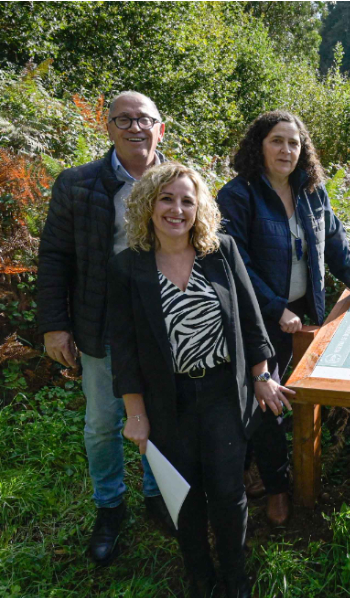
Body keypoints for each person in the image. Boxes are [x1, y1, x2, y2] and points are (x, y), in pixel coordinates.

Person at [108, 163, 295, 596]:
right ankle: (199, 576)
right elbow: (126, 348)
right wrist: (135, 414)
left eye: (187, 201)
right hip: (165, 397)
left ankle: (234, 580)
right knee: (185, 495)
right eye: (167, 199)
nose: (177, 209)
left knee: (228, 494)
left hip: (223, 394)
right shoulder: (127, 268)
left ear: (200, 208)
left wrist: (262, 376)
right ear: (148, 205)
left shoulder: (221, 252)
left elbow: (251, 320)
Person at [216, 110, 350, 526]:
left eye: (294, 143)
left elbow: (335, 242)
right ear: (259, 145)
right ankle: (276, 488)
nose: (286, 150)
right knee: (270, 400)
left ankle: (248, 471)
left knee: (273, 400)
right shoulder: (237, 195)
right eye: (277, 140)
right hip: (257, 317)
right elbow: (236, 264)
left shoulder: (312, 192)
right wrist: (276, 308)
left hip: (301, 316)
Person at [36, 91, 174, 565]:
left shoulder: (177, 181)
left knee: (161, 415)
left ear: (161, 128)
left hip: (164, 323)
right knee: (101, 423)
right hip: (101, 323)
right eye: (123, 119)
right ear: (108, 127)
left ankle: (158, 497)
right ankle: (109, 508)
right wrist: (55, 325)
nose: (135, 128)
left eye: (144, 120)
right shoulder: (78, 184)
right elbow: (54, 257)